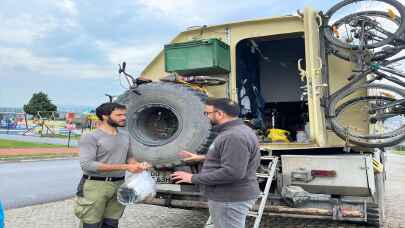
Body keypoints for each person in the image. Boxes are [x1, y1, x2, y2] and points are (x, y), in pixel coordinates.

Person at [171, 98, 261, 228]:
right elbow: (229, 157)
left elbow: (232, 173)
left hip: (229, 198)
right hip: (230, 196)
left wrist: (192, 178)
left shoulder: (233, 136)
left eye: (207, 113)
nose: (206, 116)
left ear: (219, 114)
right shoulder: (238, 131)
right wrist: (200, 158)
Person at [74, 102, 151, 228]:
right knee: (91, 224)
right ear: (105, 116)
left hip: (119, 184)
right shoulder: (90, 137)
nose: (123, 117)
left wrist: (139, 165)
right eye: (119, 115)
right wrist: (125, 167)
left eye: (124, 115)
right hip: (95, 185)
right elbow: (87, 165)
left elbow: (129, 158)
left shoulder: (125, 136)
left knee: (111, 223)